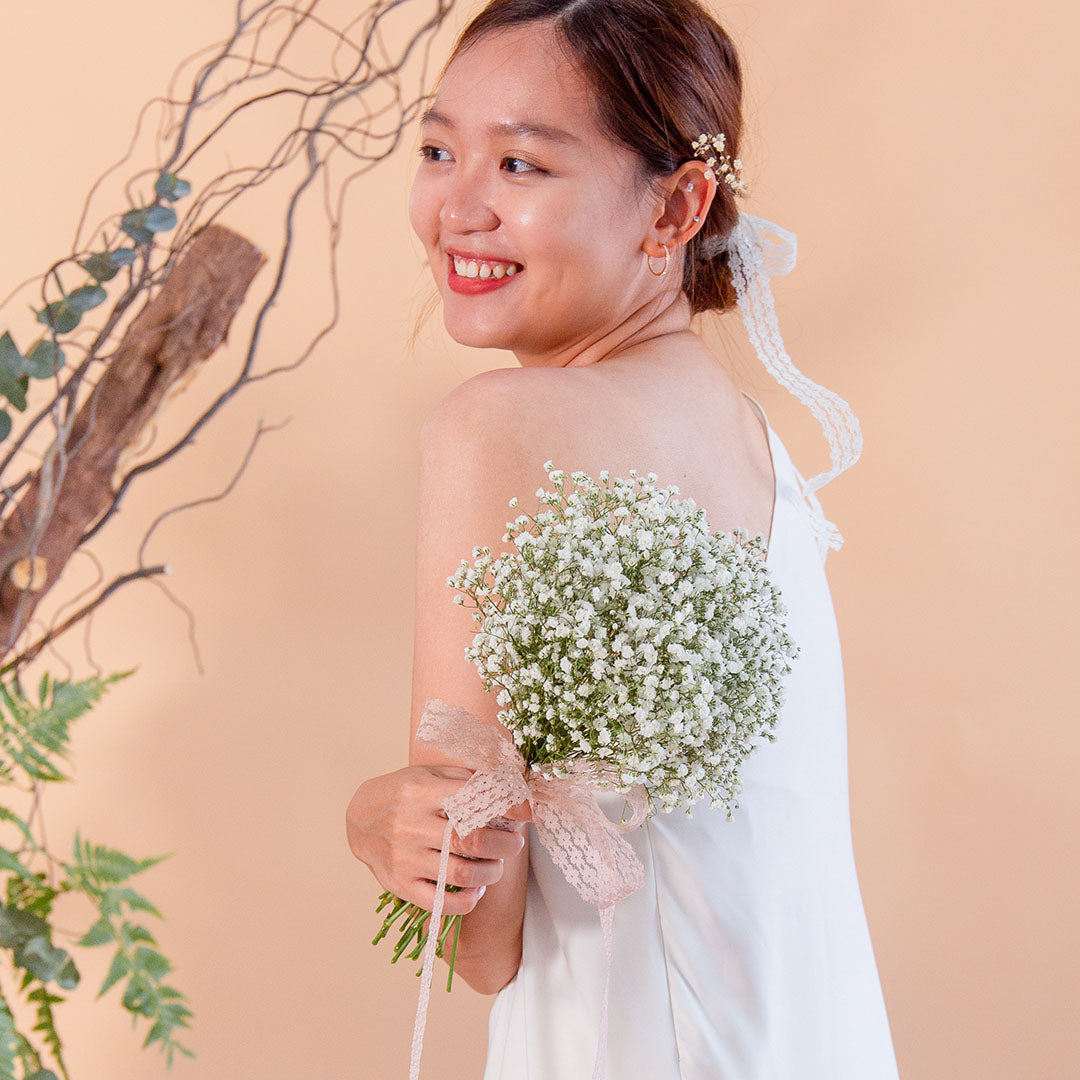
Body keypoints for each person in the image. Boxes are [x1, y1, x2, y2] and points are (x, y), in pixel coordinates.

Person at [345, 0, 901, 1076]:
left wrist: (376, 819)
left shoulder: (493, 428)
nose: (456, 207)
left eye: (523, 167)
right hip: (814, 1034)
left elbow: (484, 934)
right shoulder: (746, 436)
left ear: (679, 204)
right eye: (438, 149)